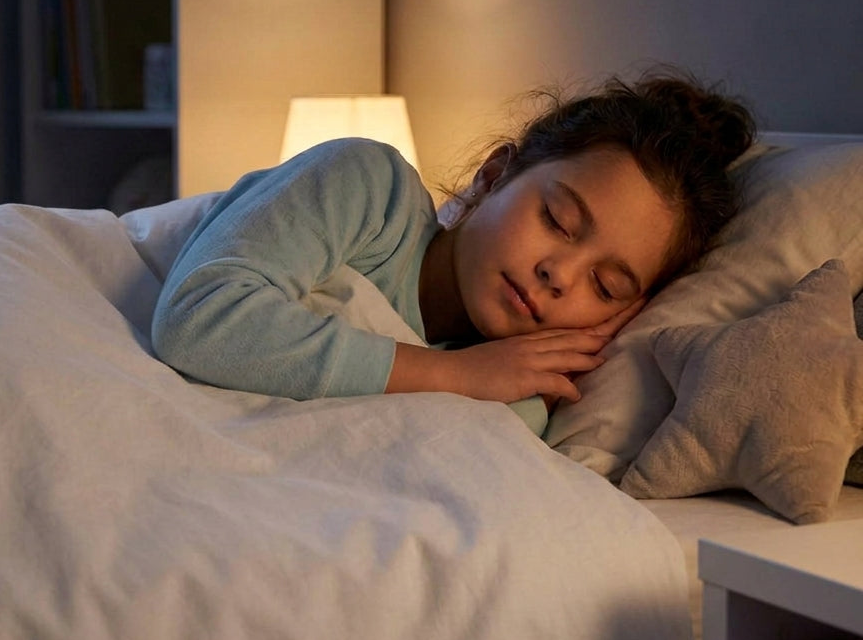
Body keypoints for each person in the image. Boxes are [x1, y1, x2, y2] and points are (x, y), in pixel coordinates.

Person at [150, 69, 756, 433]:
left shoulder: (513, 390)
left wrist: (526, 396)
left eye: (606, 288)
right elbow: (198, 318)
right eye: (557, 219)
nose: (558, 273)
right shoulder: (368, 188)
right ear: (494, 176)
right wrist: (456, 377)